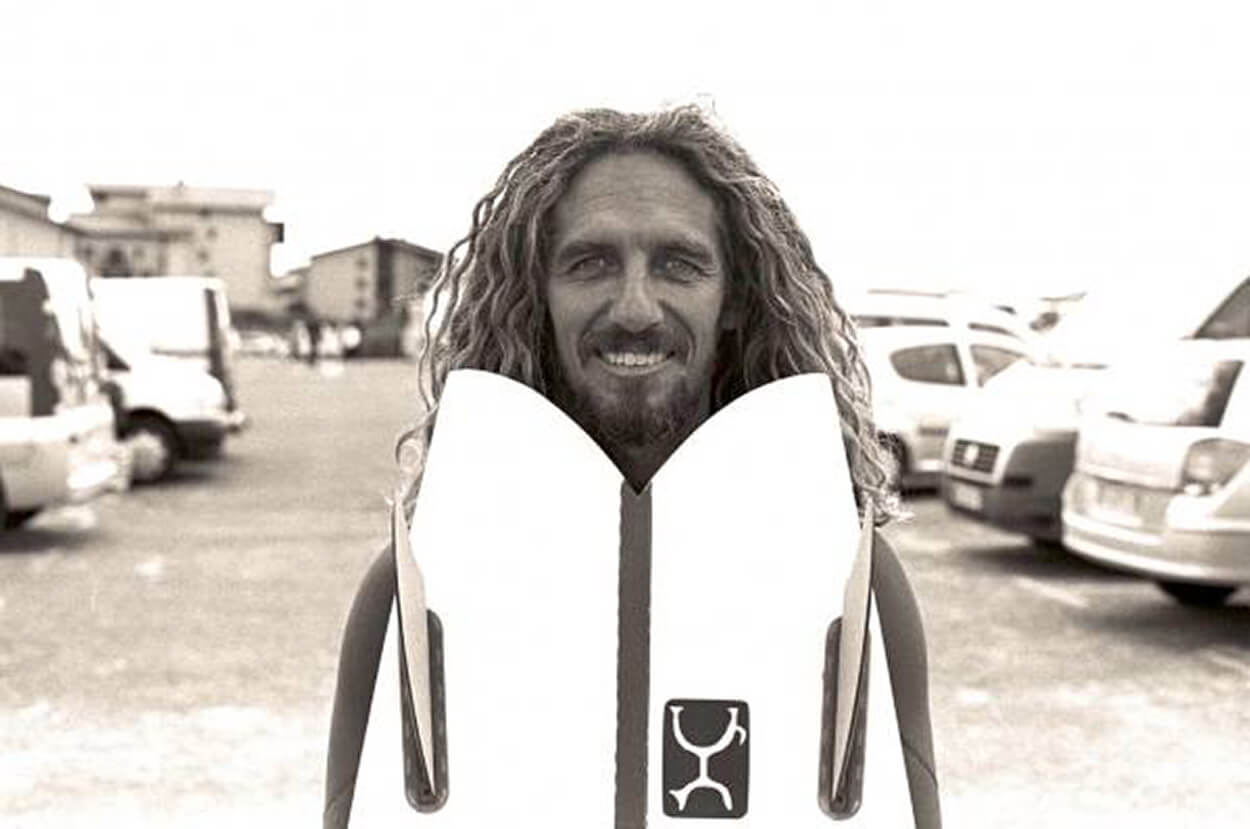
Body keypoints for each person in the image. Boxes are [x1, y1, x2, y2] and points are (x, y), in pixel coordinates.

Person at [324, 105, 940, 828]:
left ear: (735, 299)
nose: (637, 307)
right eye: (591, 263)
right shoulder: (415, 589)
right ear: (537, 297)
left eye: (678, 264)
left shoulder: (853, 583)